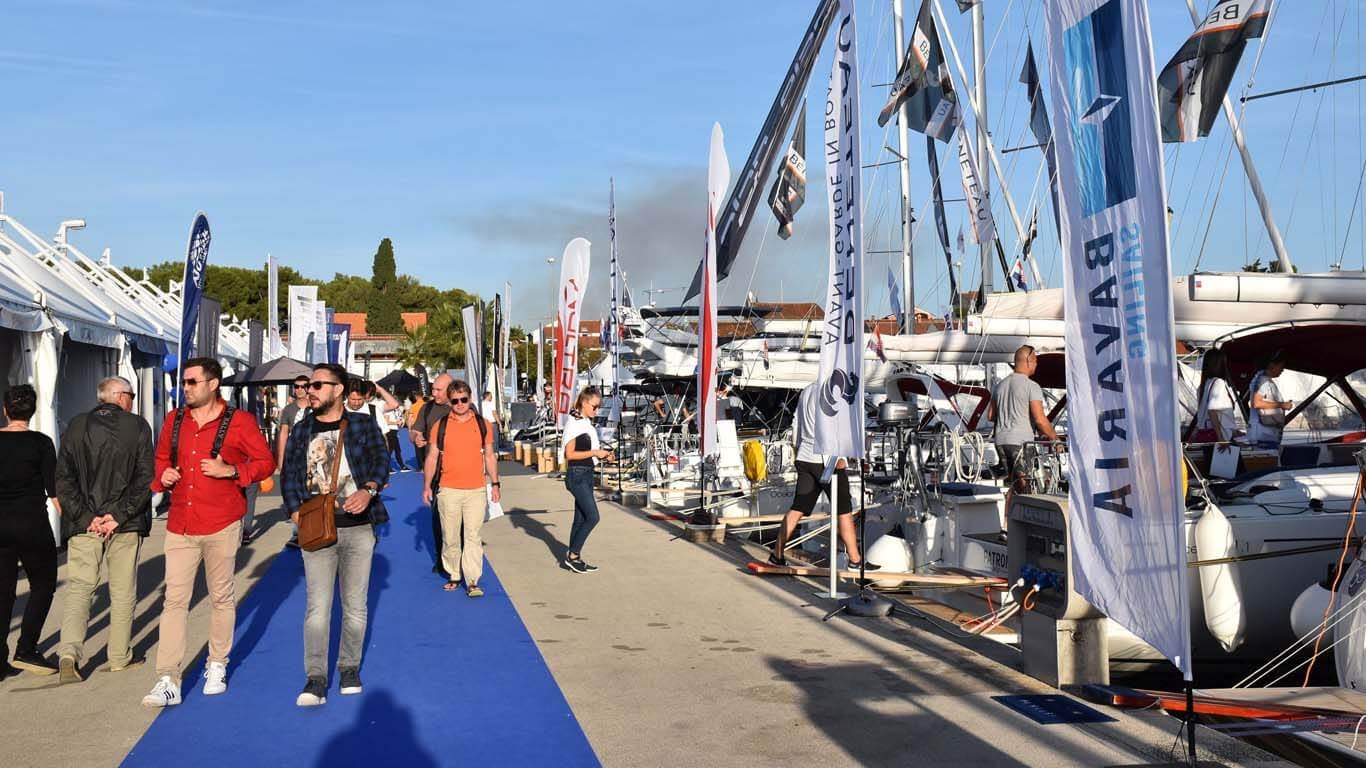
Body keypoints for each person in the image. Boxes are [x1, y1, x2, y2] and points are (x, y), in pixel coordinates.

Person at [142, 358, 275, 708]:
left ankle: (217, 663)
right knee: (174, 600)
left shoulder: (240, 422)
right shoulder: (174, 420)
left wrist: (231, 469)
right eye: (184, 383)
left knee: (221, 597)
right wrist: (163, 476)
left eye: (191, 382)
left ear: (213, 384)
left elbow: (265, 462)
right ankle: (167, 677)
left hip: (222, 521)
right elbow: (160, 459)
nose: (185, 388)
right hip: (181, 523)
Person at [281, 364, 391, 707]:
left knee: (355, 606)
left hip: (359, 528)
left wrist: (369, 490)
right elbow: (290, 475)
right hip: (317, 530)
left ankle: (348, 668)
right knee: (317, 608)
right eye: (306, 385)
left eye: (316, 385)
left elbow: (381, 463)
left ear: (338, 389)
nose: (308, 391)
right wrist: (297, 513)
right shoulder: (302, 430)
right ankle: (315, 677)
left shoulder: (362, 424)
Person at [54, 377, 154, 684]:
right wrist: (118, 515)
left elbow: (63, 478)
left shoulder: (75, 425)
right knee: (123, 591)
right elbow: (144, 477)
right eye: (132, 395)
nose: (133, 400)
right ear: (120, 396)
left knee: (80, 589)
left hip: (87, 522)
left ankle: (69, 652)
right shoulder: (137, 426)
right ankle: (119, 656)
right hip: (123, 523)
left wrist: (86, 517)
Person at [769, 382, 878, 571]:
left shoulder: (807, 390)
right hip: (828, 459)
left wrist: (798, 450)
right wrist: (844, 456)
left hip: (805, 456)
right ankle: (855, 560)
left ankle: (777, 554)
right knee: (844, 510)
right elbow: (838, 426)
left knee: (798, 507)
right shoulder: (836, 390)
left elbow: (797, 424)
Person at [0, 385, 60, 679]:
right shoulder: (41, 443)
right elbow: (54, 491)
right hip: (31, 524)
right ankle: (27, 648)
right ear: (32, 411)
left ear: (5, 410)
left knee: (3, 592)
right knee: (43, 583)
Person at [422, 379, 499, 596]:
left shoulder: (483, 424)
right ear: (450, 401)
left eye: (463, 399)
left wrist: (495, 483)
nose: (460, 404)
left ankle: (472, 580)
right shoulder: (441, 426)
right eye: (455, 400)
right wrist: (427, 486)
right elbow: (432, 457)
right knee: (450, 536)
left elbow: (490, 456)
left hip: (476, 489)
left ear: (470, 398)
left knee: (473, 536)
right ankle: (454, 574)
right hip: (448, 489)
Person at [987, 345, 1061, 495]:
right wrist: (1055, 439)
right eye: (1035, 362)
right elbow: (1040, 419)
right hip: (1021, 443)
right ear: (1029, 361)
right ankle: (1022, 515)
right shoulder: (1031, 386)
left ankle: (1008, 517)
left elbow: (990, 416)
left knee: (1014, 485)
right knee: (1026, 486)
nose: (1036, 365)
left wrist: (1009, 411)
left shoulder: (999, 386)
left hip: (1001, 441)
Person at [560, 387, 614, 573]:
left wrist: (603, 455)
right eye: (594, 406)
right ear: (584, 403)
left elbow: (588, 453)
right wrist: (595, 452)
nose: (596, 411)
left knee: (581, 517)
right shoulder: (574, 423)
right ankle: (573, 554)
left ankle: (574, 557)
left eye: (598, 407)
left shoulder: (585, 423)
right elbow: (570, 454)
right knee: (593, 516)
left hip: (587, 472)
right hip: (577, 474)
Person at [411, 373, 452, 575]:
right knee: (438, 518)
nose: (433, 393)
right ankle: (441, 558)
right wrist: (416, 437)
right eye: (433, 389)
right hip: (436, 473)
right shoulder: (427, 408)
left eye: (438, 390)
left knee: (458, 520)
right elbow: (415, 431)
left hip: (458, 472)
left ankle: (457, 558)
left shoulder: (462, 407)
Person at [279, 375, 311, 549]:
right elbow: (283, 433)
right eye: (296, 386)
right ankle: (297, 533)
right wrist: (281, 459)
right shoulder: (289, 410)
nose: (299, 389)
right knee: (294, 495)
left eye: (303, 386)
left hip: (313, 456)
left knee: (311, 493)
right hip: (293, 457)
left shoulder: (316, 406)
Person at [347, 380, 405, 472]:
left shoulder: (375, 407)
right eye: (353, 399)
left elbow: (394, 404)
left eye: (360, 398)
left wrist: (380, 389)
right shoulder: (341, 408)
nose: (357, 402)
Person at [1187, 348, 1241, 445]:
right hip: (1221, 437)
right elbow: (1212, 411)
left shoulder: (1203, 385)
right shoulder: (1218, 383)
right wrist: (1221, 439)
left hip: (1205, 434)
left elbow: (1202, 415)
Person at [1248, 349, 1293, 449]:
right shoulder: (1263, 381)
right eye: (1281, 365)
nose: (1282, 369)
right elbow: (1256, 403)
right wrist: (1282, 405)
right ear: (1272, 365)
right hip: (1263, 436)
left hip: (1264, 435)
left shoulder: (1261, 379)